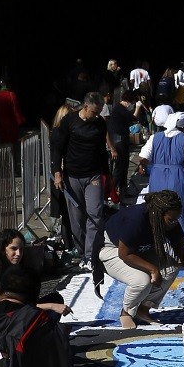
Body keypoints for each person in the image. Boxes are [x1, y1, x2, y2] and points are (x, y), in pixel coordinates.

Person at [97, 190, 184, 329]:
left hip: (138, 250)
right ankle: (126, 312)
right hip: (111, 249)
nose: (174, 223)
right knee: (142, 280)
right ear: (159, 214)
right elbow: (125, 254)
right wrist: (152, 269)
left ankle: (143, 309)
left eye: (176, 219)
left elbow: (183, 252)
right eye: (171, 219)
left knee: (170, 268)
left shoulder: (168, 220)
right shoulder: (135, 219)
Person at [52, 91, 112, 266]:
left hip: (93, 175)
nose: (97, 116)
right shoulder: (69, 121)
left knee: (95, 213)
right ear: (86, 107)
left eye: (99, 112)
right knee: (76, 218)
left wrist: (107, 175)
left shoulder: (99, 123)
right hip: (72, 176)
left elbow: (102, 150)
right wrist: (57, 172)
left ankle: (90, 254)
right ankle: (80, 250)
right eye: (94, 112)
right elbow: (58, 148)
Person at [137, 112, 184, 243]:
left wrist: (142, 166)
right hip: (179, 176)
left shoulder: (155, 137)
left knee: (157, 210)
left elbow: (143, 156)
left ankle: (157, 240)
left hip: (157, 176)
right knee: (181, 210)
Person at [106, 88, 136, 202]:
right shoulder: (119, 109)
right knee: (119, 169)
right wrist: (137, 108)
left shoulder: (119, 109)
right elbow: (132, 119)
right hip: (119, 141)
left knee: (124, 167)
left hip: (121, 140)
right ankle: (111, 191)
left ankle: (123, 190)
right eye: (132, 102)